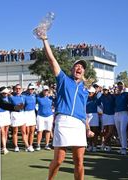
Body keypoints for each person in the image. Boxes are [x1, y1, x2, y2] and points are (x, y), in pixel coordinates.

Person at [39, 35, 94, 180]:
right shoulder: (63, 79)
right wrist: (45, 40)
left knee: (79, 161)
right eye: (77, 65)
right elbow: (52, 60)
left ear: (83, 72)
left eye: (82, 67)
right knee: (58, 160)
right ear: (72, 69)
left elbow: (83, 110)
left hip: (79, 124)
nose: (79, 68)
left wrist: (88, 128)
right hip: (63, 121)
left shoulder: (85, 88)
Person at [35, 85, 54, 151]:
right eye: (45, 90)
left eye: (47, 90)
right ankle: (38, 145)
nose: (46, 91)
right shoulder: (38, 97)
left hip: (49, 116)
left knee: (48, 130)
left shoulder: (51, 97)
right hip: (40, 116)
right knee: (40, 131)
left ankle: (47, 145)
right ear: (42, 91)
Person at [0, 86, 12, 154]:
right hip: (0, 115)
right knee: (2, 132)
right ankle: (4, 147)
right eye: (4, 93)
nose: (5, 94)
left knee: (6, 132)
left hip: (7, 114)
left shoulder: (9, 98)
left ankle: (4, 146)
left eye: (6, 93)